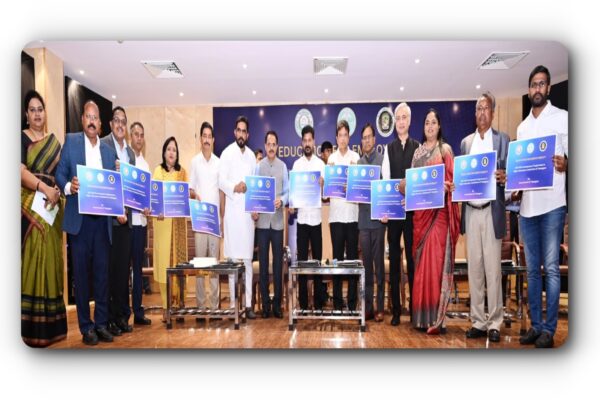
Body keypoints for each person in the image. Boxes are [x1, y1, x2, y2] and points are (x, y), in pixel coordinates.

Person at [56, 100, 117, 345]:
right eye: (88, 117)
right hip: (79, 223)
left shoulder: (108, 152)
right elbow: (59, 174)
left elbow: (113, 187)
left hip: (102, 223)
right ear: (82, 119)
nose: (92, 121)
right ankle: (86, 327)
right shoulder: (71, 142)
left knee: (102, 276)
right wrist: (70, 186)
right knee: (81, 277)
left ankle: (101, 324)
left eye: (96, 118)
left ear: (100, 124)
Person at [517, 65, 568, 348]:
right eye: (533, 84)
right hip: (528, 208)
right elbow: (521, 170)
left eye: (542, 84)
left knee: (549, 267)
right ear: (529, 90)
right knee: (532, 271)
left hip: (552, 206)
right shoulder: (522, 128)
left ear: (548, 88)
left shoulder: (562, 118)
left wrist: (566, 163)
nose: (537, 89)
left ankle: (549, 329)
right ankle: (536, 326)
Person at [460, 92, 510, 343]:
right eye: (478, 108)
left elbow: (511, 180)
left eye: (485, 108)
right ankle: (478, 321)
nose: (481, 113)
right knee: (475, 270)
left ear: (493, 112)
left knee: (493, 269)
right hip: (471, 211)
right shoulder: (466, 143)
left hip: (492, 211)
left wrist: (506, 179)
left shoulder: (503, 140)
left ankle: (496, 322)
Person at [20, 90, 68, 347]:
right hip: (29, 204)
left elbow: (61, 174)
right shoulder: (20, 138)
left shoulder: (53, 142)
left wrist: (59, 189)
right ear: (26, 115)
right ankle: (28, 328)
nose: (38, 114)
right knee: (33, 260)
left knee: (52, 260)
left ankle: (51, 328)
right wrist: (44, 188)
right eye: (33, 110)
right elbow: (18, 172)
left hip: (52, 207)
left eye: (41, 109)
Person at [409, 108, 460, 334]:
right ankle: (421, 318)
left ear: (439, 126)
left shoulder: (445, 150)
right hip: (421, 218)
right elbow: (412, 186)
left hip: (439, 217)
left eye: (433, 122)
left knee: (436, 266)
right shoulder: (418, 155)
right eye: (427, 122)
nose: (430, 126)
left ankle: (438, 319)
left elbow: (452, 182)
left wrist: (447, 187)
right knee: (421, 267)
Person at [381, 102, 420, 326]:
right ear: (395, 122)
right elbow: (386, 182)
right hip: (394, 217)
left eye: (404, 117)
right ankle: (396, 310)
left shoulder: (418, 148)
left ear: (410, 121)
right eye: (398, 118)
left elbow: (421, 182)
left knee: (413, 264)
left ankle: (415, 310)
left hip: (413, 215)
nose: (401, 121)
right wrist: (385, 210)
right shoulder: (389, 148)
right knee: (394, 264)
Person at [101, 106, 136, 336]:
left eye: (124, 121)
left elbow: (132, 188)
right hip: (109, 222)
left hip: (127, 220)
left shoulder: (130, 154)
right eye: (117, 120)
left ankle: (122, 317)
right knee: (110, 272)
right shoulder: (103, 145)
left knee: (123, 271)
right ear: (111, 124)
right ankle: (110, 319)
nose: (121, 124)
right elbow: (103, 183)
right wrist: (115, 211)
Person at [219, 116, 258, 319]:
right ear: (235, 132)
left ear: (247, 135)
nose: (241, 134)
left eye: (244, 131)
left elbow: (255, 185)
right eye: (239, 131)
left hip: (247, 217)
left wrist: (255, 208)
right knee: (233, 262)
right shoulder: (226, 154)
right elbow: (221, 181)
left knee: (248, 261)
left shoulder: (252, 156)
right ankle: (235, 303)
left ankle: (249, 305)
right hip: (233, 216)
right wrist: (234, 187)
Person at [152, 137, 189, 322]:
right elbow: (154, 196)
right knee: (164, 265)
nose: (172, 152)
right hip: (162, 225)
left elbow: (184, 197)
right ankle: (166, 307)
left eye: (174, 149)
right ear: (164, 152)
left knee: (178, 265)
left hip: (178, 226)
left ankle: (179, 305)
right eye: (169, 149)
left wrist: (191, 194)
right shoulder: (157, 171)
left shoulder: (183, 173)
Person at [254, 130, 289, 318]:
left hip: (276, 222)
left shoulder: (283, 167)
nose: (271, 147)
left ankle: (277, 305)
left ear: (277, 146)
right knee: (263, 264)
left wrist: (282, 200)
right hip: (262, 223)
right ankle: (265, 306)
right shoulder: (258, 167)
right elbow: (253, 192)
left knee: (277, 265)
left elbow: (288, 191)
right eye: (268, 143)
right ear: (265, 145)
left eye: (274, 144)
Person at [290, 125, 326, 310]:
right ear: (301, 143)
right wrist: (291, 203)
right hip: (302, 221)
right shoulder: (297, 165)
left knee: (318, 263)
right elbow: (293, 196)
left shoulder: (321, 165)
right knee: (302, 264)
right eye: (304, 141)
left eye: (309, 140)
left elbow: (326, 196)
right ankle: (303, 303)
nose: (307, 143)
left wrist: (322, 185)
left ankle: (319, 302)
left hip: (317, 220)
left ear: (314, 142)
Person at [189, 122, 223, 312]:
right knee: (201, 264)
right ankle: (201, 306)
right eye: (204, 136)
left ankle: (215, 305)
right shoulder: (194, 162)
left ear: (213, 140)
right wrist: (195, 195)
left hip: (215, 222)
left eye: (210, 136)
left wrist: (222, 219)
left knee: (215, 266)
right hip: (200, 221)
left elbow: (221, 193)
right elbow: (190, 189)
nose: (207, 139)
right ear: (201, 139)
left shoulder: (219, 163)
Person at [327, 120, 360, 311]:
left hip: (353, 216)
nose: (343, 138)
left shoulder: (355, 158)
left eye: (346, 135)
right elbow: (326, 194)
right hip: (336, 218)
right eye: (340, 135)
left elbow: (360, 189)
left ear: (349, 137)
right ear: (336, 137)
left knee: (353, 260)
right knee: (338, 260)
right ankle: (338, 302)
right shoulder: (330, 160)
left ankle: (352, 302)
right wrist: (327, 181)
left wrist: (352, 185)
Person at [357, 123, 386, 322]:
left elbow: (387, 189)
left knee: (379, 268)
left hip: (378, 222)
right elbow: (355, 192)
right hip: (363, 222)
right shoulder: (358, 164)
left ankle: (380, 308)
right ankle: (367, 307)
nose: (367, 141)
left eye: (369, 137)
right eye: (364, 138)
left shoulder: (383, 161)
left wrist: (385, 212)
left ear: (374, 140)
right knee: (366, 267)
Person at [128, 121, 152, 325]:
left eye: (141, 134)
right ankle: (120, 314)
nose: (138, 137)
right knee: (120, 270)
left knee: (137, 269)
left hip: (141, 224)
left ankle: (137, 311)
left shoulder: (145, 165)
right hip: (124, 224)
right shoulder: (123, 162)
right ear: (130, 137)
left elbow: (148, 197)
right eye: (135, 134)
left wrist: (148, 208)